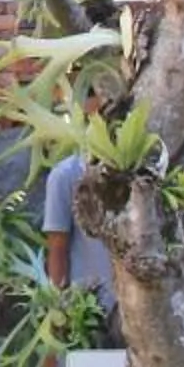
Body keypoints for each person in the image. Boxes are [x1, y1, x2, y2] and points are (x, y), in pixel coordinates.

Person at [39, 152, 116, 354]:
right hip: (89, 318)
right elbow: (57, 251)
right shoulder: (66, 175)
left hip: (140, 321)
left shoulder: (144, 174)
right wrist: (55, 328)